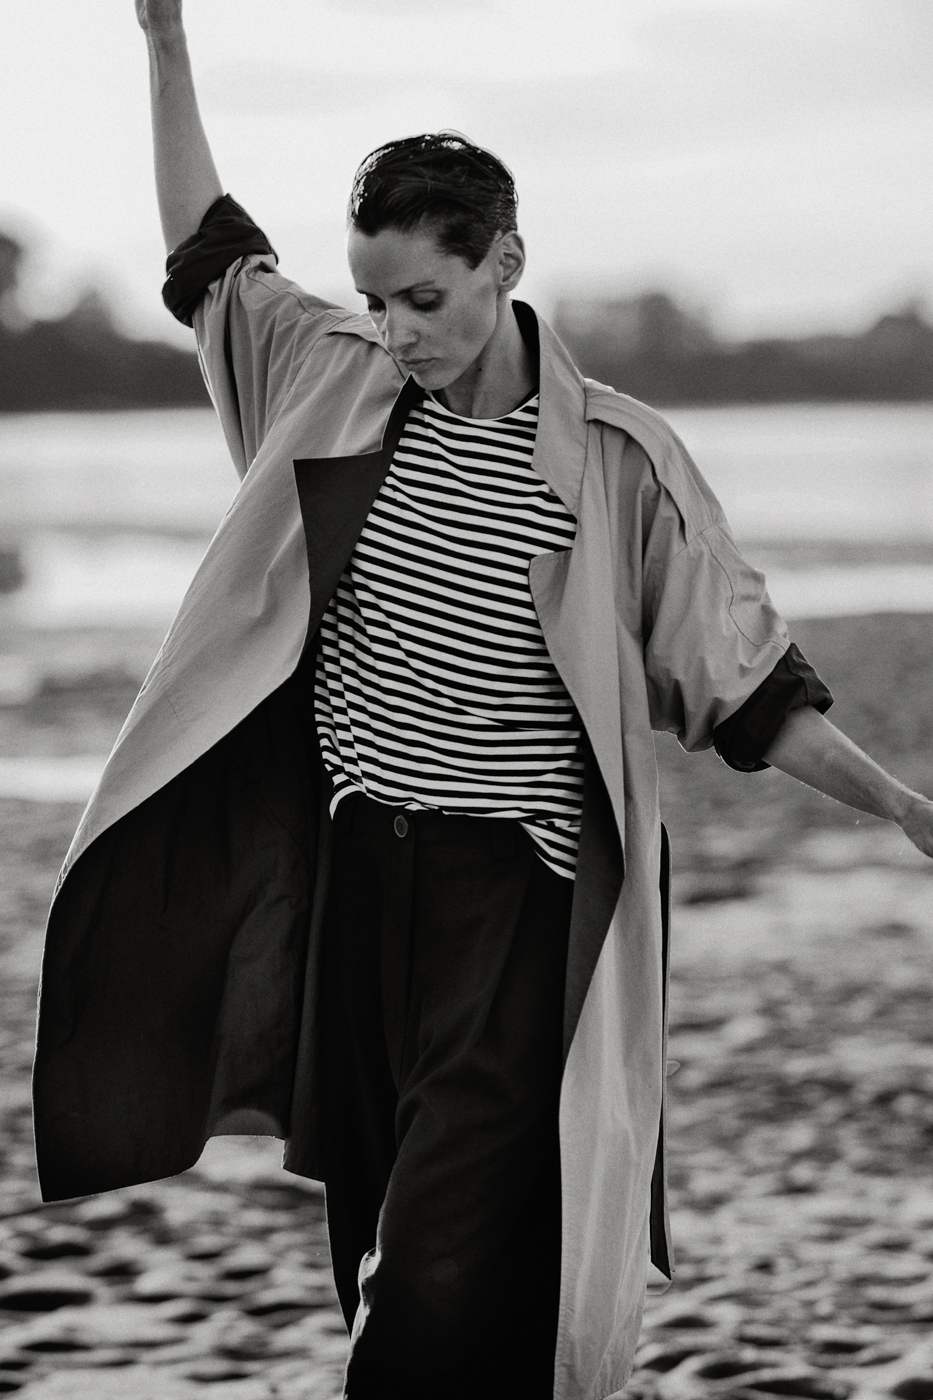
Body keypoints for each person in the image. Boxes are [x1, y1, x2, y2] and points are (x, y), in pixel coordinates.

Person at [32, 3, 933, 1398]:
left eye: (423, 300)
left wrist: (903, 805)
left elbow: (748, 687)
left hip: (512, 907)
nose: (395, 331)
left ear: (503, 262)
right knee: (384, 1242)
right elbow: (208, 254)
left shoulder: (619, 462)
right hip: (355, 888)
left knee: (433, 1274)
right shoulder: (328, 379)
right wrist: (164, 43)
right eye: (373, 300)